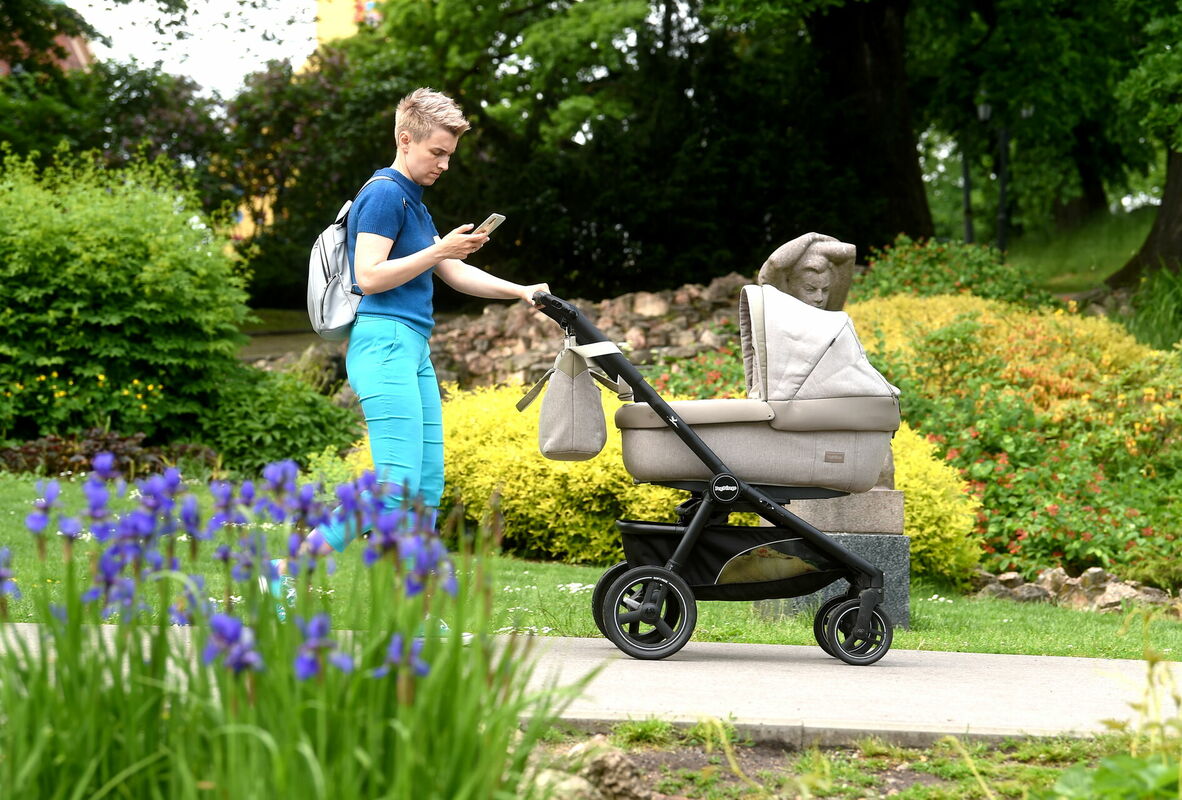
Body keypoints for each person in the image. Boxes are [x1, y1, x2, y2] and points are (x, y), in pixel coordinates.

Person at [276, 88, 548, 581]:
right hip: (383, 343)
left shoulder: (414, 204)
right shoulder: (384, 193)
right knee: (395, 488)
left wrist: (522, 291)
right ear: (406, 140)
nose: (444, 164)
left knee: (425, 488)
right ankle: (285, 571)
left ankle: (411, 607)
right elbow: (369, 275)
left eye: (450, 155)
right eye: (437, 152)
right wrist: (439, 250)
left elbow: (453, 274)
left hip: (411, 347)